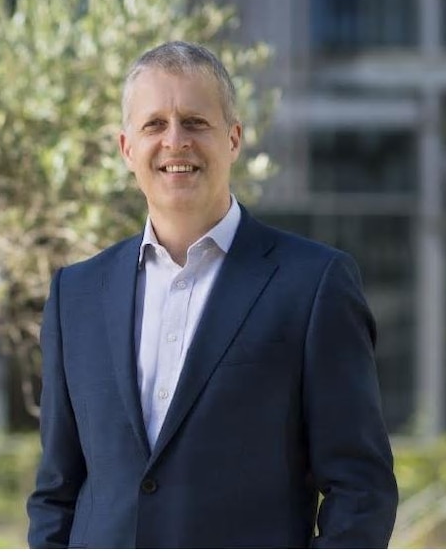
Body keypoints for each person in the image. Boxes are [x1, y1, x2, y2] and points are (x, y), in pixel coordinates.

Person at [26, 40, 398, 548]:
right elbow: (56, 491)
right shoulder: (76, 295)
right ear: (126, 147)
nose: (175, 141)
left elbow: (360, 489)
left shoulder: (313, 285)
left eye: (196, 122)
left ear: (234, 139)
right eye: (154, 124)